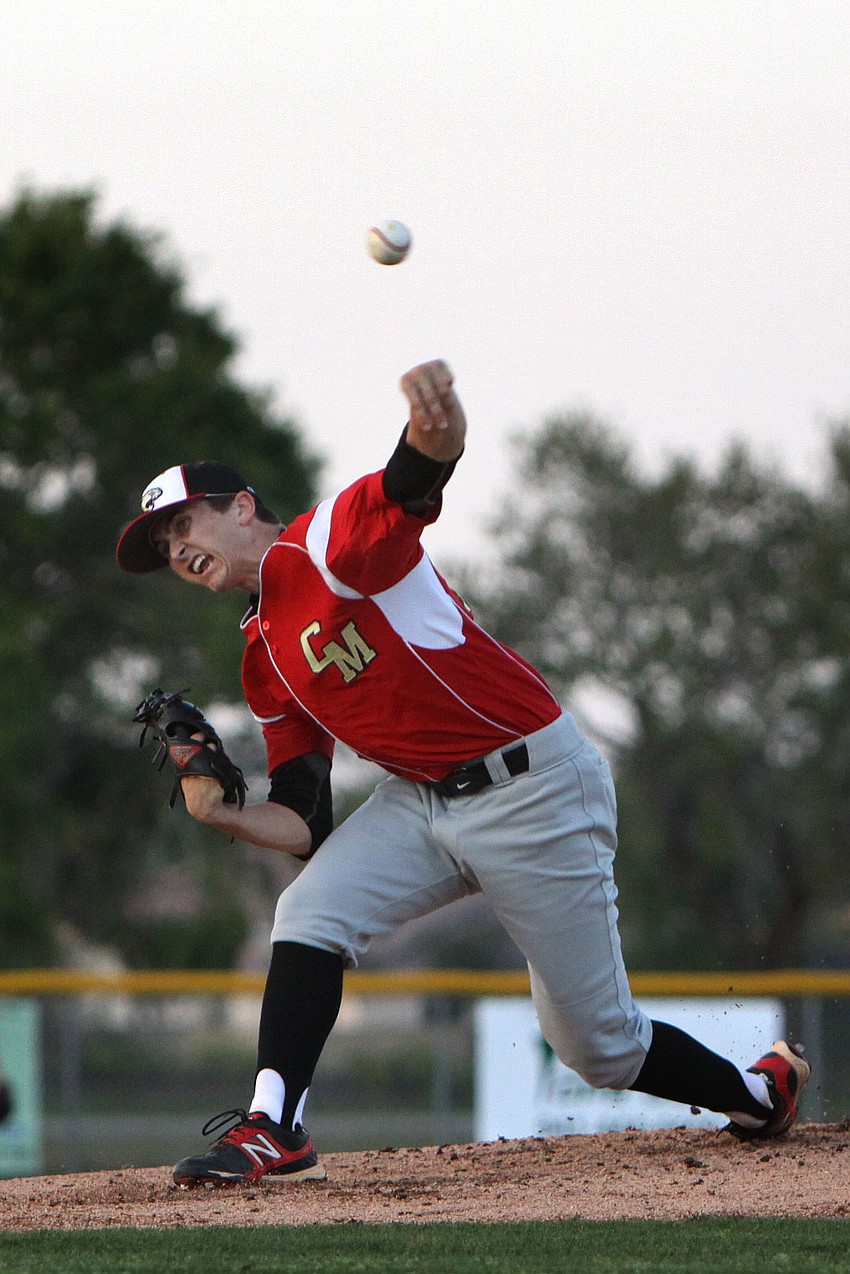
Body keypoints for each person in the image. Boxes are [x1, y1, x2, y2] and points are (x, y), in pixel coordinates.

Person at [116, 359, 810, 1188]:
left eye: (183, 522)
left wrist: (434, 427)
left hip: (535, 787)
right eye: (164, 545)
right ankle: (275, 1127)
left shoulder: (327, 542)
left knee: (597, 1045)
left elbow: (412, 481)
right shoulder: (262, 655)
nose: (176, 547)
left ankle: (761, 1094)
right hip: (423, 801)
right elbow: (304, 817)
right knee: (310, 907)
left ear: (239, 508)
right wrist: (224, 814)